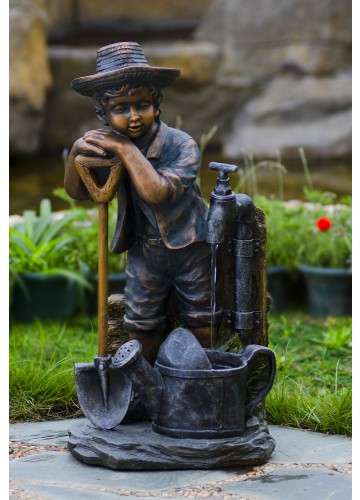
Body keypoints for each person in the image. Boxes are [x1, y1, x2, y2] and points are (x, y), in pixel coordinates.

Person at [64, 42, 222, 364]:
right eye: (121, 109)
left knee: (203, 319)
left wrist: (123, 148)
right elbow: (78, 191)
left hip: (191, 249)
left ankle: (201, 378)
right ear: (102, 113)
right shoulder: (109, 144)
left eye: (143, 105)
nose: (134, 117)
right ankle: (145, 386)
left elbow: (157, 192)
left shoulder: (182, 146)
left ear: (157, 103)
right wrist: (78, 151)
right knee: (140, 326)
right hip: (144, 252)